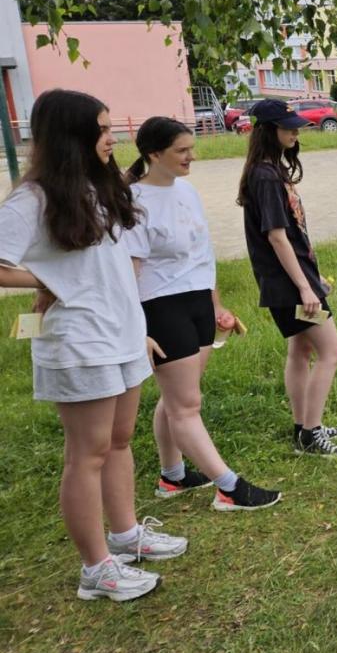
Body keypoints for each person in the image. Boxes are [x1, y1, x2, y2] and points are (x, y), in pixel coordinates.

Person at [0, 90, 187, 602]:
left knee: (119, 441)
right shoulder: (33, 199)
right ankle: (95, 569)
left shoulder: (97, 187)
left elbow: (107, 265)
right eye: (101, 129)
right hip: (79, 341)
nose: (111, 138)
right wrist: (45, 281)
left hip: (121, 333)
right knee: (87, 454)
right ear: (71, 135)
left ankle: (125, 535)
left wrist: (136, 328)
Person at [125, 117, 282, 510]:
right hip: (160, 306)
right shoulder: (134, 202)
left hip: (197, 301)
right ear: (153, 154)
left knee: (176, 397)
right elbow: (129, 273)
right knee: (186, 405)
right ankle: (229, 488)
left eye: (191, 148)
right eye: (181, 150)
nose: (191, 156)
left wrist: (216, 305)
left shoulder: (187, 190)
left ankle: (173, 476)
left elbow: (202, 254)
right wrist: (135, 326)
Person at [237, 99, 337, 457]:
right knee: (332, 351)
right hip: (289, 287)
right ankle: (311, 434)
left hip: (293, 283)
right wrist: (305, 288)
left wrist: (313, 279)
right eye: (287, 127)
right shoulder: (265, 176)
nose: (295, 132)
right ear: (267, 131)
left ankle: (304, 426)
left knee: (301, 350)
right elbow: (276, 237)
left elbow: (294, 235)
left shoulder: (271, 170)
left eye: (296, 126)